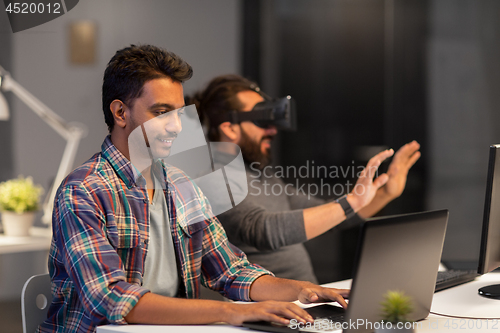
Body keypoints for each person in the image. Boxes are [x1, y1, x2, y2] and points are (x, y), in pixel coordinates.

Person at [36, 45, 406, 333]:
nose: (177, 128)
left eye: (179, 114)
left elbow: (230, 270)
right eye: (161, 112)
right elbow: (114, 300)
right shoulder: (82, 191)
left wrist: (305, 291)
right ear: (120, 113)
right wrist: (234, 311)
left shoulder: (179, 183)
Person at [188, 74, 421, 283]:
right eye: (263, 120)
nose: (272, 130)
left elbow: (333, 215)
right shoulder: (212, 179)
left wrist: (386, 192)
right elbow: (262, 229)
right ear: (230, 129)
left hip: (306, 302)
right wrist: (351, 202)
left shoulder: (263, 176)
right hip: (269, 312)